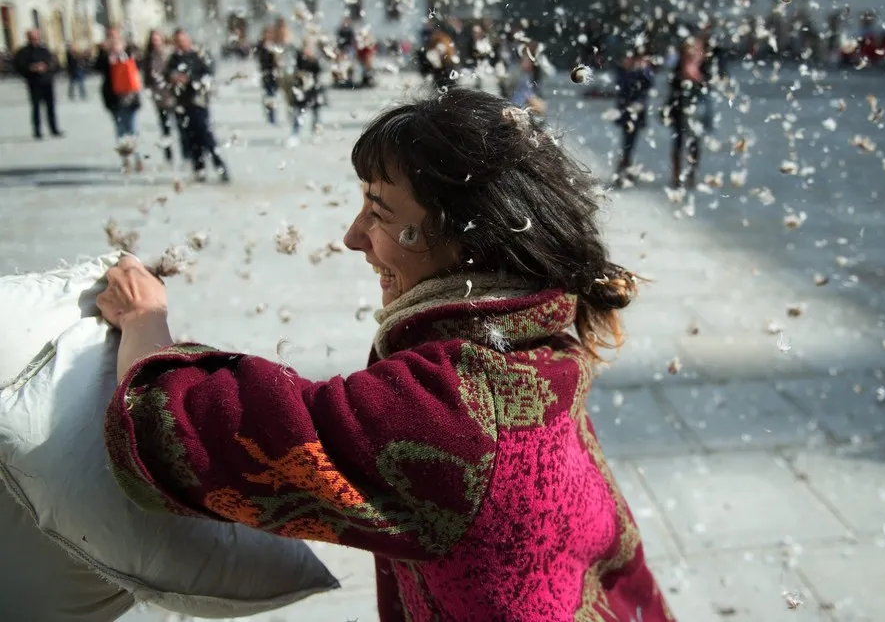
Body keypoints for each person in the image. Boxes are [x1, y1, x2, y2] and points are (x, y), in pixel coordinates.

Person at [95, 87, 676, 622]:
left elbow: (174, 428)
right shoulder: (542, 344)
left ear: (467, 240)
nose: (351, 237)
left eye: (378, 212)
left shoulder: (453, 410)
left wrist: (145, 320)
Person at [167, 28, 230, 183]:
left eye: (183, 40)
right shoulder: (174, 58)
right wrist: (174, 78)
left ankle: (219, 166)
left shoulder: (198, 55)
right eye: (178, 41)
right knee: (190, 137)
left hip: (198, 101)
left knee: (206, 135)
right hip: (182, 103)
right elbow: (167, 74)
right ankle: (199, 168)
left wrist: (190, 79)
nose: (181, 44)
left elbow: (208, 73)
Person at [664, 36, 711, 189]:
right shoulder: (678, 63)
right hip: (679, 107)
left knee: (694, 143)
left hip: (697, 109)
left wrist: (697, 77)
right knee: (678, 142)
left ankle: (691, 173)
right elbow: (672, 84)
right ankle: (676, 176)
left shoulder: (704, 63)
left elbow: (709, 84)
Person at [95, 27, 143, 172]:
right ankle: (125, 160)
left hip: (130, 98)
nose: (113, 41)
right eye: (110, 37)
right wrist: (105, 54)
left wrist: (127, 52)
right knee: (120, 130)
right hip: (114, 99)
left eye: (116, 37)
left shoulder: (128, 52)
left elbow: (139, 62)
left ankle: (138, 158)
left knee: (133, 129)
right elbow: (97, 68)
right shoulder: (104, 56)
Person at [143, 30, 187, 165]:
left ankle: (186, 154)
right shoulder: (149, 57)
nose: (156, 42)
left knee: (181, 126)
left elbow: (175, 70)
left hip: (173, 95)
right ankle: (168, 155)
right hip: (159, 97)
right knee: (165, 128)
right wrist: (151, 92)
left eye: (158, 39)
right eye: (153, 39)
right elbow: (147, 78)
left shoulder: (169, 53)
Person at [612, 47, 654, 186]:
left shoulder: (643, 68)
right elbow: (622, 84)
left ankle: (624, 167)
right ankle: (624, 169)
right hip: (627, 108)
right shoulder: (626, 67)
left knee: (630, 140)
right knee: (628, 140)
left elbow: (647, 85)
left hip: (637, 108)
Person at [13, 29, 63, 139]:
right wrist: (31, 68)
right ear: (28, 38)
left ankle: (54, 129)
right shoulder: (23, 52)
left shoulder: (44, 50)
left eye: (36, 38)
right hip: (34, 83)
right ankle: (37, 131)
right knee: (36, 108)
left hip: (47, 82)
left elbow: (54, 63)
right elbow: (18, 66)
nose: (35, 40)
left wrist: (46, 67)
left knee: (51, 107)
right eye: (33, 38)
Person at [287, 39, 323, 146]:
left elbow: (319, 71)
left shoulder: (316, 59)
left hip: (313, 90)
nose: (307, 50)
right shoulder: (299, 57)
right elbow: (294, 71)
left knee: (316, 115)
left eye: (309, 48)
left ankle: (316, 134)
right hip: (301, 90)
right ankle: (295, 134)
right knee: (298, 113)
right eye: (306, 47)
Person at [254, 25, 282, 125]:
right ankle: (270, 116)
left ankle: (272, 115)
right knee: (268, 95)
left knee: (272, 95)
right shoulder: (261, 46)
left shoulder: (274, 46)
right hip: (266, 74)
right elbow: (257, 56)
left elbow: (278, 61)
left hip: (273, 75)